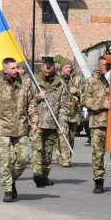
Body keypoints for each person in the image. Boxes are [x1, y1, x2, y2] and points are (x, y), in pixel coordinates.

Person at [0, 57, 38, 202]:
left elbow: (31, 103)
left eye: (17, 67)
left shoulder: (25, 82)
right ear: (5, 70)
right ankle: (7, 189)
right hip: (2, 128)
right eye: (13, 68)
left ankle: (11, 181)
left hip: (21, 127)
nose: (17, 70)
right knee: (5, 161)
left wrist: (34, 121)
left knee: (24, 159)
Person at [81, 57, 111, 194]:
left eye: (110, 65)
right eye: (105, 65)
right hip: (98, 123)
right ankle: (98, 181)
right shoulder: (92, 81)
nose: (107, 67)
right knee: (97, 154)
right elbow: (84, 100)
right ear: (98, 66)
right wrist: (100, 104)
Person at [31, 58, 69, 188]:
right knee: (37, 150)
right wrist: (38, 97)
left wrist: (62, 124)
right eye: (45, 72)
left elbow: (64, 106)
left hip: (52, 124)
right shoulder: (34, 81)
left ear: (54, 69)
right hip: (36, 122)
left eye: (50, 72)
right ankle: (37, 174)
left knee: (47, 153)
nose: (47, 74)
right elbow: (25, 101)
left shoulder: (61, 84)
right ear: (42, 68)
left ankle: (44, 176)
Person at [54, 60, 84, 167]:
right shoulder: (57, 78)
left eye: (70, 67)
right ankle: (64, 158)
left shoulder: (77, 78)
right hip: (61, 113)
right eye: (66, 67)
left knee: (71, 138)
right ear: (62, 67)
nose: (69, 69)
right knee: (63, 136)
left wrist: (77, 91)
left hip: (74, 113)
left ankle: (66, 156)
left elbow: (84, 92)